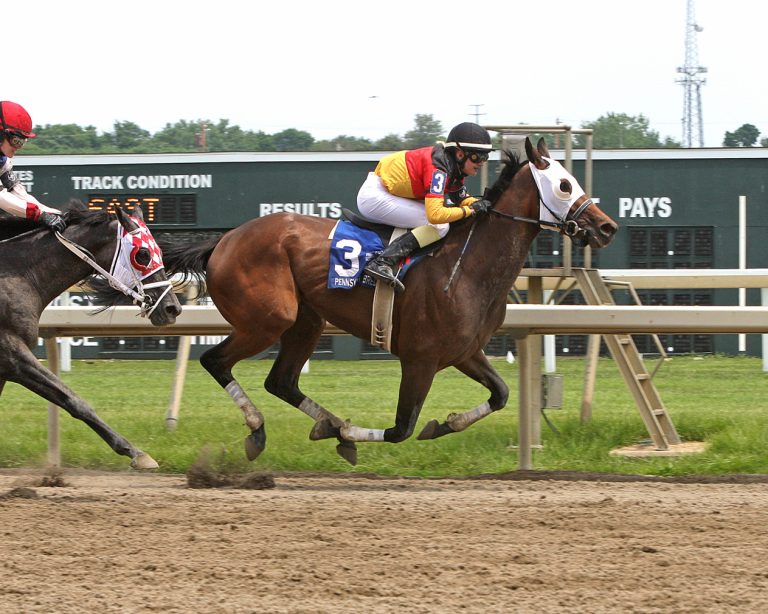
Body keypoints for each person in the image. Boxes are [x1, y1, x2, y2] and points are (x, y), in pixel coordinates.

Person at [357, 121, 493, 291]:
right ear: (459, 154)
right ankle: (383, 261)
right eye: (477, 157)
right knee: (440, 226)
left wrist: (477, 204)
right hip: (375, 197)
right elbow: (435, 215)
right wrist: (471, 210)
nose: (482, 162)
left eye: (485, 157)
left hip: (388, 192)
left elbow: (460, 197)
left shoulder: (454, 168)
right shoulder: (439, 170)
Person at [0, 101, 66, 232]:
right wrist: (39, 215)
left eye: (22, 142)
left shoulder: (3, 160)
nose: (17, 148)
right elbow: (2, 199)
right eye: (16, 141)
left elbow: (18, 192)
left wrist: (53, 213)